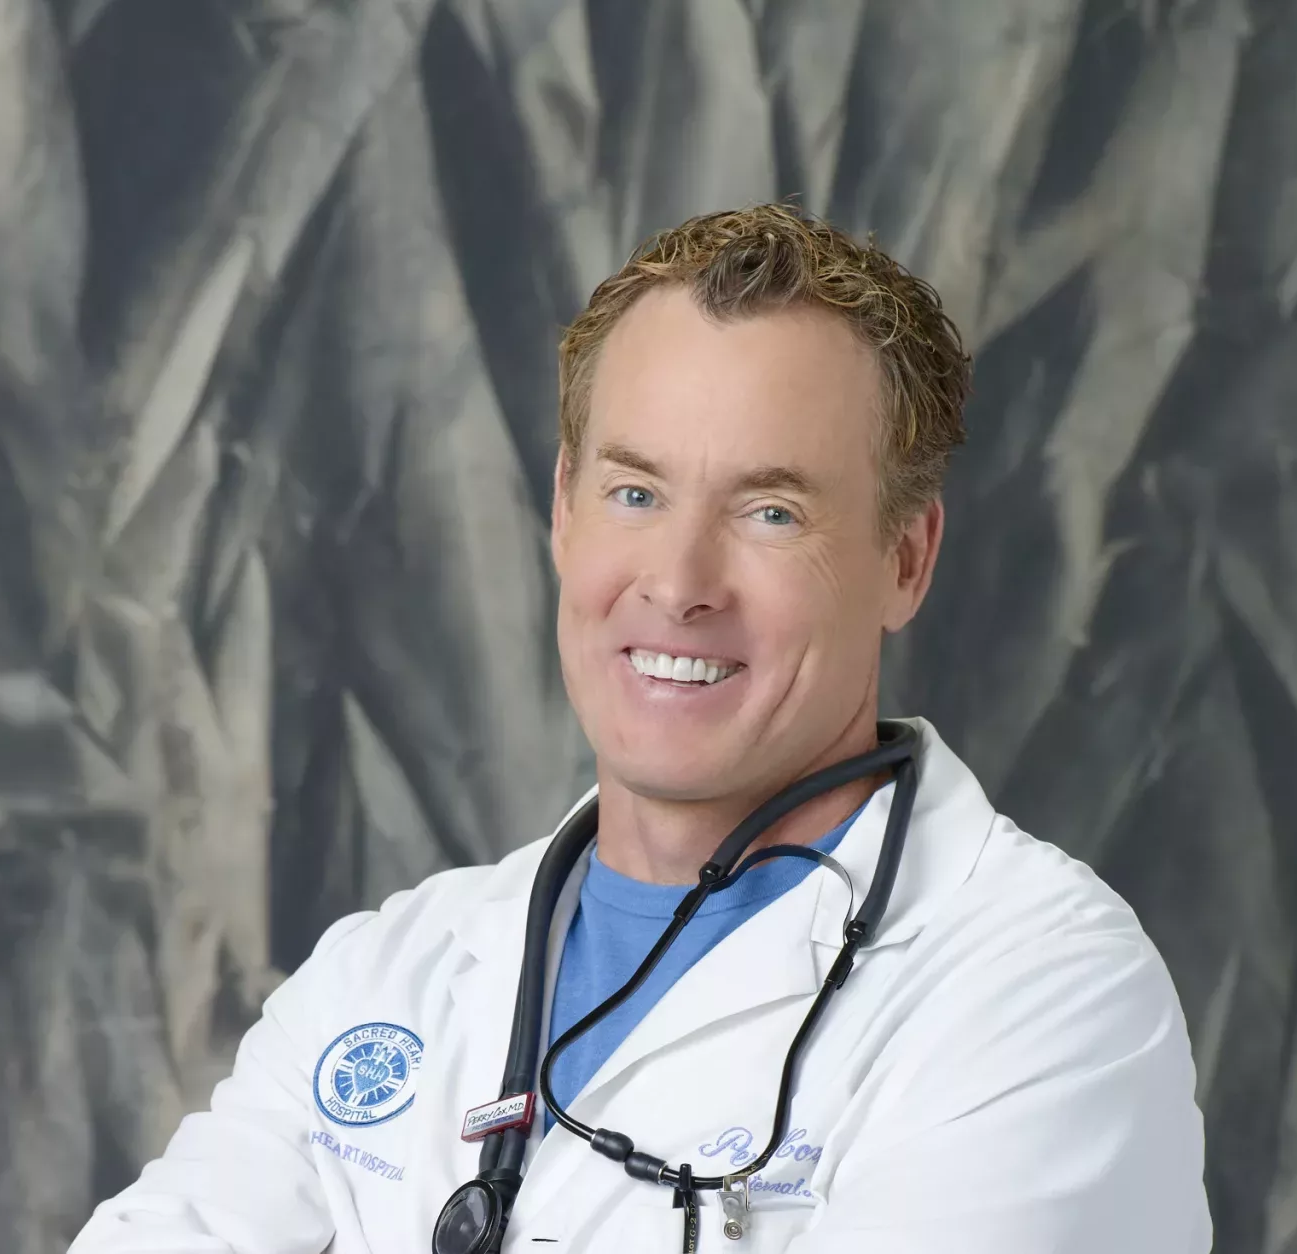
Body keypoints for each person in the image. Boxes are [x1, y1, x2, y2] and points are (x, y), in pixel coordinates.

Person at [68, 203, 1212, 1252]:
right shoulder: (385, 980)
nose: (678, 582)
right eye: (636, 493)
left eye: (771, 512)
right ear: (564, 511)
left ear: (905, 560)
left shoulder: (1043, 998)